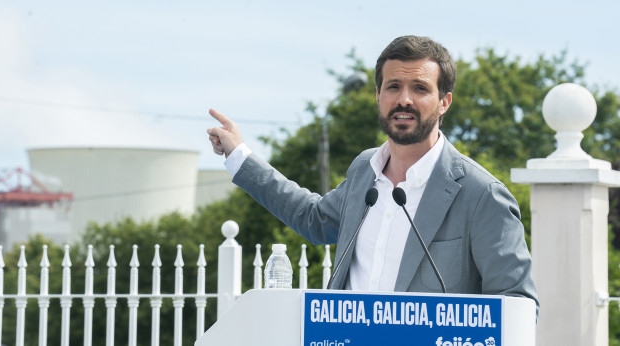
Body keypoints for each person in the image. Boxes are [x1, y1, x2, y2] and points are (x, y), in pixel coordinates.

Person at [207, 35, 538, 310]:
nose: (404, 99)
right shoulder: (365, 170)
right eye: (393, 86)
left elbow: (517, 304)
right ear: (379, 96)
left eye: (420, 89)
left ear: (444, 102)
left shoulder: (482, 195)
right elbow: (313, 219)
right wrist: (239, 156)